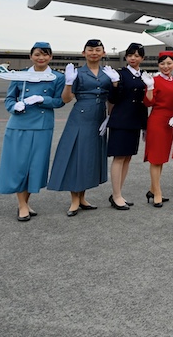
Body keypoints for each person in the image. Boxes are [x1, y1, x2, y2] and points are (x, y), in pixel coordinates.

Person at [48, 39, 121, 216]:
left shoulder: (107, 73)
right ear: (84, 53)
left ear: (103, 53)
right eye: (90, 50)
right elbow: (66, 99)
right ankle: (74, 200)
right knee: (76, 156)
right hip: (80, 116)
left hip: (99, 117)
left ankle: (82, 197)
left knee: (89, 157)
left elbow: (112, 98)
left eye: (98, 50)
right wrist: (68, 82)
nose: (94, 53)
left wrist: (110, 116)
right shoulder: (77, 73)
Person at [0, 41, 66, 221]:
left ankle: (25, 203)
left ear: (50, 57)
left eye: (45, 54)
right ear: (30, 56)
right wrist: (14, 107)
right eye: (37, 54)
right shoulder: (21, 75)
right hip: (19, 123)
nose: (41, 58)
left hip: (42, 125)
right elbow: (9, 99)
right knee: (19, 165)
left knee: (34, 166)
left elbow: (59, 101)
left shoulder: (57, 77)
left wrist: (42, 99)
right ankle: (22, 205)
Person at [106, 42, 151, 210]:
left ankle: (118, 193)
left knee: (127, 158)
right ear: (126, 57)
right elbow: (112, 98)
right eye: (130, 55)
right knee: (119, 157)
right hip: (121, 120)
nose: (133, 58)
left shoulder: (143, 76)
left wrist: (144, 125)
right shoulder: (120, 74)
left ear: (142, 58)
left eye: (137, 55)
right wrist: (115, 84)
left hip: (134, 121)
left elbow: (143, 103)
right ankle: (116, 195)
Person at [142, 51, 173, 206]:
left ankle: (152, 189)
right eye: (162, 63)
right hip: (157, 120)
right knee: (155, 159)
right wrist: (150, 87)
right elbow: (148, 103)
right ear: (158, 65)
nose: (166, 67)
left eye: (169, 63)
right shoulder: (154, 80)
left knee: (162, 158)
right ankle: (157, 192)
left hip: (170, 122)